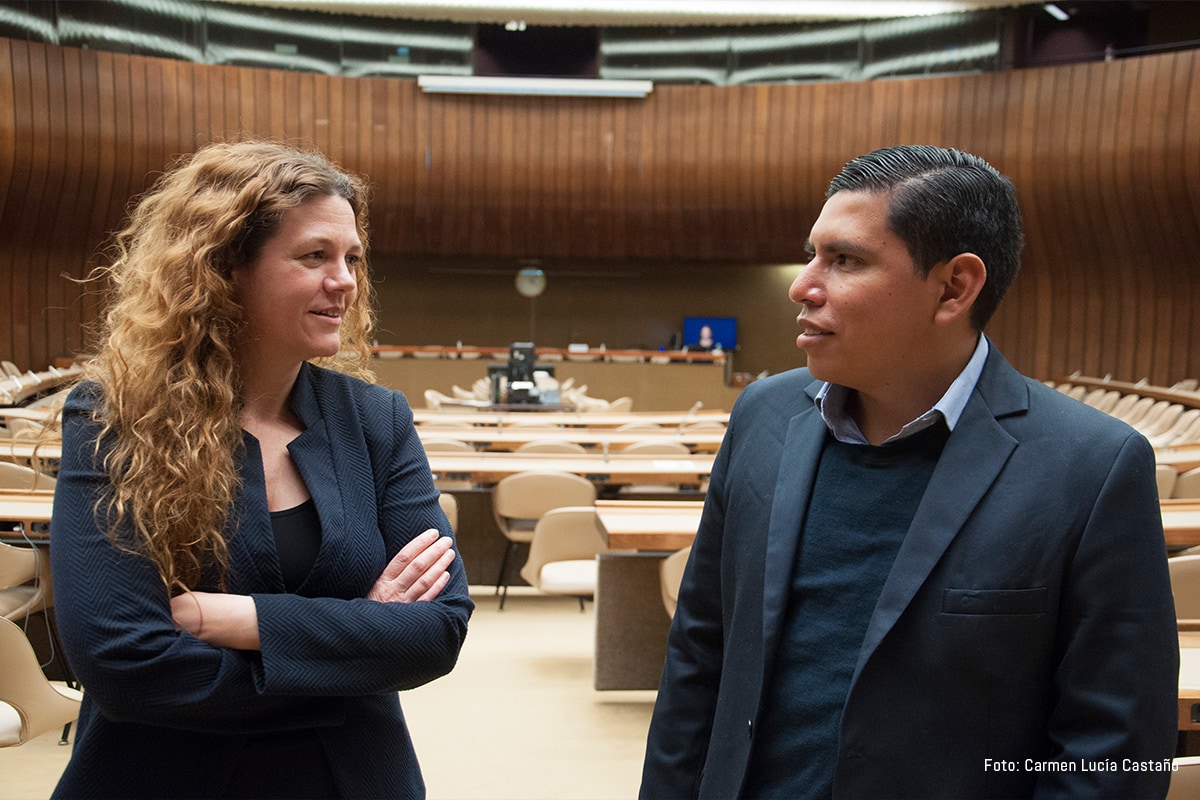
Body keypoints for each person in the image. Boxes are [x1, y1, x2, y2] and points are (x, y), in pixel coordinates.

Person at [640, 145, 1178, 799]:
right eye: (814, 254)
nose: (801, 285)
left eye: (844, 260)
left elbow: (1113, 753)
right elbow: (700, 654)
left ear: (955, 287)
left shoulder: (1092, 467)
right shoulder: (763, 416)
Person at [49, 140, 473, 799]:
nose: (345, 281)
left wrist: (239, 619)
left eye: (352, 259)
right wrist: (352, 652)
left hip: (349, 778)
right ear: (224, 270)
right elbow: (122, 663)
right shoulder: (115, 416)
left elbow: (436, 629)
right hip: (161, 777)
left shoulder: (376, 421)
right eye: (315, 256)